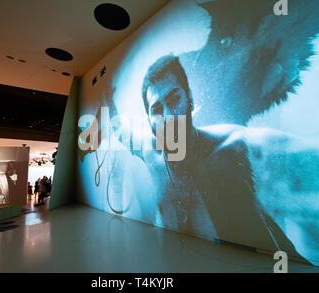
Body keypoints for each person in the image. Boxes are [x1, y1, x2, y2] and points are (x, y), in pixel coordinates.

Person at [100, 55, 306, 258]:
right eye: (157, 109)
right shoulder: (149, 152)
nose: (169, 117)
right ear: (149, 119)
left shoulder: (227, 147)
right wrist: (109, 102)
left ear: (189, 98)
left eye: (174, 99)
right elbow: (121, 134)